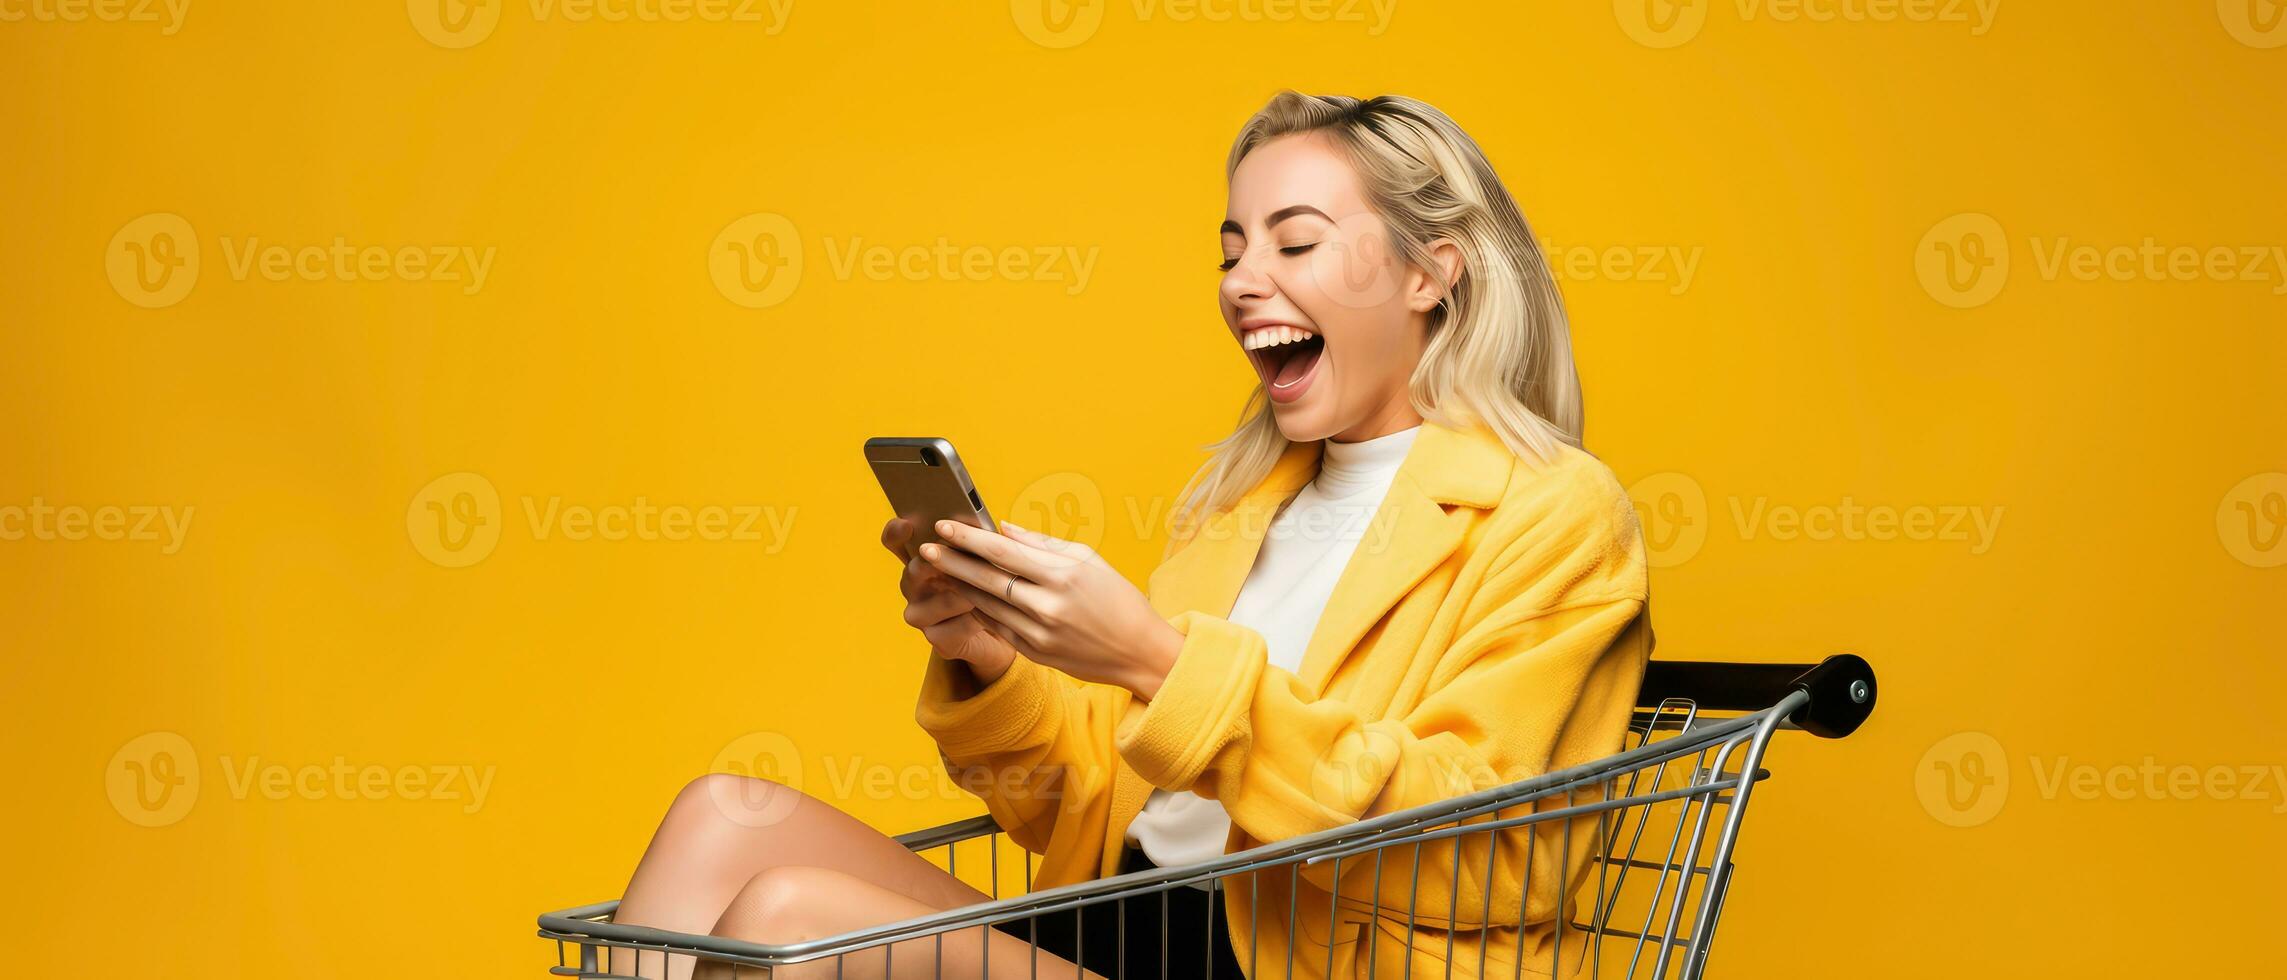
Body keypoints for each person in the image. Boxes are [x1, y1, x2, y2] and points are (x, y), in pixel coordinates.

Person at [609, 91, 1652, 980]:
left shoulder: (1551, 511)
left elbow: (1497, 856)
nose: (1244, 280)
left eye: (1294, 241)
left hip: (1291, 957)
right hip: (1112, 926)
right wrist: (988, 658)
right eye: (1233, 248)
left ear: (1431, 274)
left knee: (790, 913)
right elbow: (1084, 810)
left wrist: (1157, 660)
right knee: (723, 814)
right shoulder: (1237, 506)